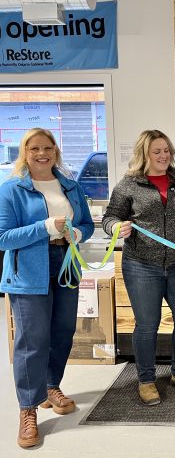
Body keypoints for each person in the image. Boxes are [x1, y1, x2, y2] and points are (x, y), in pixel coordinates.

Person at [0, 128, 94, 448]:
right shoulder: (11, 189)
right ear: (24, 153)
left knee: (62, 332)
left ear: (55, 151)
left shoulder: (70, 185)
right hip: (28, 271)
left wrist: (76, 234)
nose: (42, 154)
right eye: (34, 148)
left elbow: (86, 224)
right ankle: (28, 408)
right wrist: (44, 227)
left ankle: (51, 386)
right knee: (32, 340)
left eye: (47, 148)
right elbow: (3, 238)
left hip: (66, 264)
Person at [102, 130, 175, 406]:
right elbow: (110, 217)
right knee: (147, 325)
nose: (164, 156)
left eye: (166, 150)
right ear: (144, 154)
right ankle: (146, 380)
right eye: (157, 151)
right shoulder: (128, 184)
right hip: (141, 265)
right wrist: (116, 227)